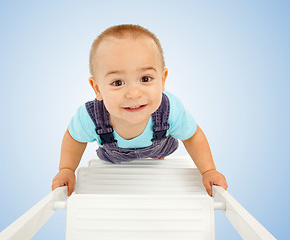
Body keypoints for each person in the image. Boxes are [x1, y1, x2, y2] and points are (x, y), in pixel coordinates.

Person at [52, 24, 228, 197]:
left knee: (160, 151)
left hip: (159, 150)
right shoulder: (90, 117)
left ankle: (156, 155)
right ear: (97, 88)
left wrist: (208, 170)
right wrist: (66, 169)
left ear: (162, 79)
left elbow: (193, 136)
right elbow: (74, 139)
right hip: (114, 159)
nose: (134, 94)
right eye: (117, 83)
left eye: (145, 78)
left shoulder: (170, 109)